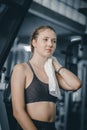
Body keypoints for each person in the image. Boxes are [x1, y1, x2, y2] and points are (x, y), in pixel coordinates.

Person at [11, 25, 82, 130]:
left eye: (54, 41)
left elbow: (76, 84)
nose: (50, 44)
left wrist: (56, 64)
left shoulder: (51, 73)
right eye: (45, 39)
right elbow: (18, 112)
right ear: (34, 42)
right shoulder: (21, 69)